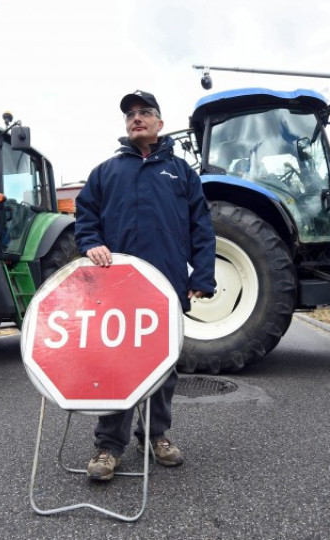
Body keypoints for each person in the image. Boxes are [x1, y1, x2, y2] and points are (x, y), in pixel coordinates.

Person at [74, 90, 216, 481]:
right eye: (130, 114)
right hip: (115, 289)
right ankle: (108, 446)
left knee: (163, 366)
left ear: (159, 123)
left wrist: (202, 275)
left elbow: (202, 227)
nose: (136, 118)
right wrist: (91, 243)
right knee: (115, 365)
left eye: (145, 112)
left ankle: (155, 435)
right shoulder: (106, 172)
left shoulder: (182, 172)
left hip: (164, 287)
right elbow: (85, 218)